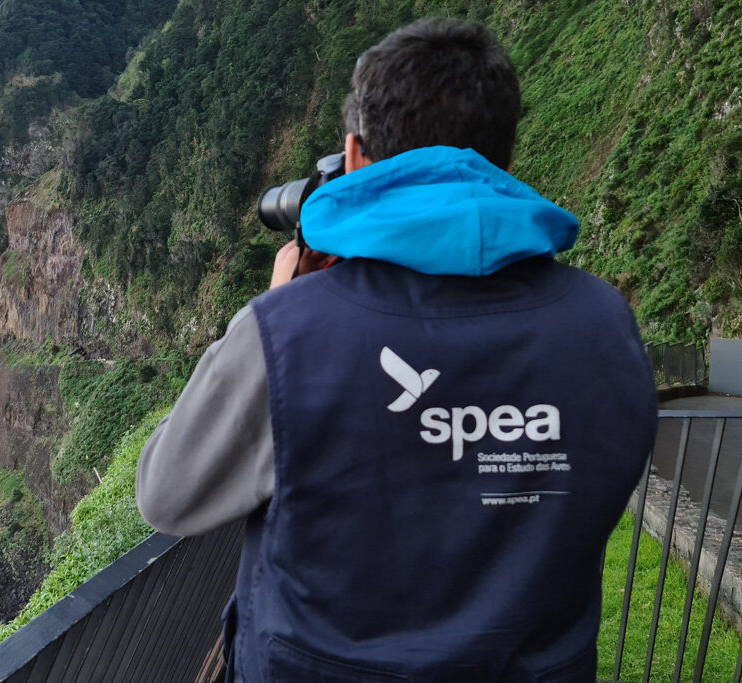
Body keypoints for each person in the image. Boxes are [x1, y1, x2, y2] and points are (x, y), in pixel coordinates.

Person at [135, 17, 657, 682]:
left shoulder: (289, 334)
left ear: (355, 155)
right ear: (502, 158)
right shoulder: (604, 323)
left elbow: (166, 493)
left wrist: (268, 310)